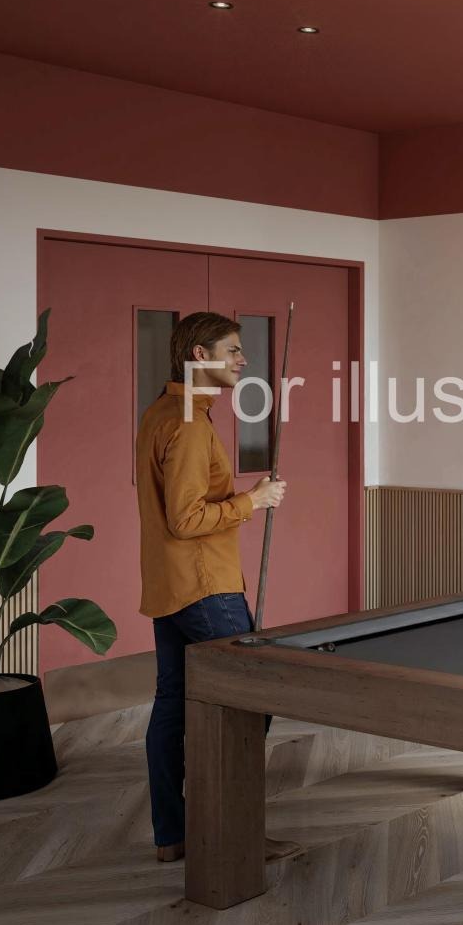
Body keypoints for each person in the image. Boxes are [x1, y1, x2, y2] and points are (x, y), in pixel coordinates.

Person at [137, 313, 287, 862]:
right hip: (205, 589)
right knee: (250, 701)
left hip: (171, 584)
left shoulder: (163, 412)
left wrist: (248, 496)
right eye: (232, 350)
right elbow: (185, 519)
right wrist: (254, 501)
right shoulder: (189, 424)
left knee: (173, 705)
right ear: (199, 355)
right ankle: (229, 837)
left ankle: (174, 835)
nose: (243, 360)